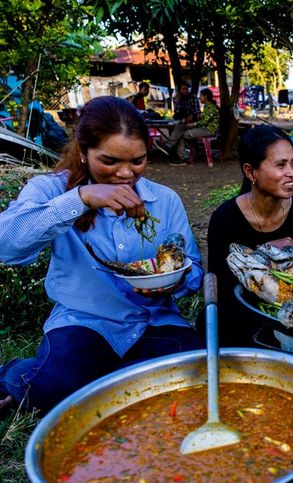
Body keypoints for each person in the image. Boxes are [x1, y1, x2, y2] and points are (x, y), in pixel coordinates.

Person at [0, 96, 204, 413]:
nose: (125, 174)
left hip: (152, 321)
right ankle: (20, 373)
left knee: (195, 381)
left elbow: (192, 268)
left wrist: (175, 282)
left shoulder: (164, 200)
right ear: (83, 152)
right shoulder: (51, 190)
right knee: (57, 391)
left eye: (137, 161)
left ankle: (101, 377)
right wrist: (82, 198)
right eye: (109, 161)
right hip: (84, 322)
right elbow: (7, 246)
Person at [205, 125, 293, 347]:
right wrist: (265, 255)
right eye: (281, 165)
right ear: (251, 172)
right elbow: (223, 292)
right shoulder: (225, 219)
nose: (292, 172)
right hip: (243, 316)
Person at [168, 88, 220, 166]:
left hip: (209, 130)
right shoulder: (207, 106)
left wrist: (193, 124)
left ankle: (181, 156)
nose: (200, 98)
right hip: (205, 128)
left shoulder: (210, 107)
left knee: (182, 134)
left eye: (201, 96)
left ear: (206, 96)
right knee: (181, 129)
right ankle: (179, 153)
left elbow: (204, 122)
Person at [168, 80, 201, 163]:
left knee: (179, 128)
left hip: (192, 122)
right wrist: (178, 101)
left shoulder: (193, 97)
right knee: (180, 133)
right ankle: (181, 156)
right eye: (183, 89)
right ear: (180, 90)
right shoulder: (177, 98)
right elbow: (177, 112)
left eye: (186, 89)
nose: (185, 91)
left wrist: (191, 117)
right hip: (181, 121)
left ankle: (170, 145)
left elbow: (197, 112)